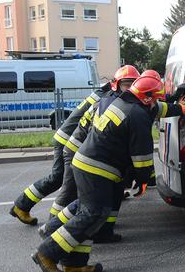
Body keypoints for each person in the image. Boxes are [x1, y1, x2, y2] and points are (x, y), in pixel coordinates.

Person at [32, 74, 165, 272]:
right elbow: (141, 158)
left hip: (86, 162)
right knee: (94, 213)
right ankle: (47, 252)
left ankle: (73, 263)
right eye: (155, 97)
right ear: (147, 97)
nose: (156, 102)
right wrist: (145, 179)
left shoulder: (119, 101)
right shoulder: (137, 114)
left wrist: (179, 107)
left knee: (86, 209)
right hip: (97, 167)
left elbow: (157, 111)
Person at [37, 65, 141, 240]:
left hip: (92, 154)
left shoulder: (125, 102)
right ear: (116, 84)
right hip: (78, 150)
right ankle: (52, 225)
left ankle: (103, 231)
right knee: (71, 192)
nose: (129, 88)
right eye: (126, 84)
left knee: (109, 195)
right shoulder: (109, 101)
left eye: (133, 84)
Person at [9, 81, 113, 226]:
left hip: (67, 136)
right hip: (69, 139)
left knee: (59, 178)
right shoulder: (108, 97)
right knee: (61, 179)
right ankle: (27, 208)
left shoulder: (103, 92)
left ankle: (22, 206)